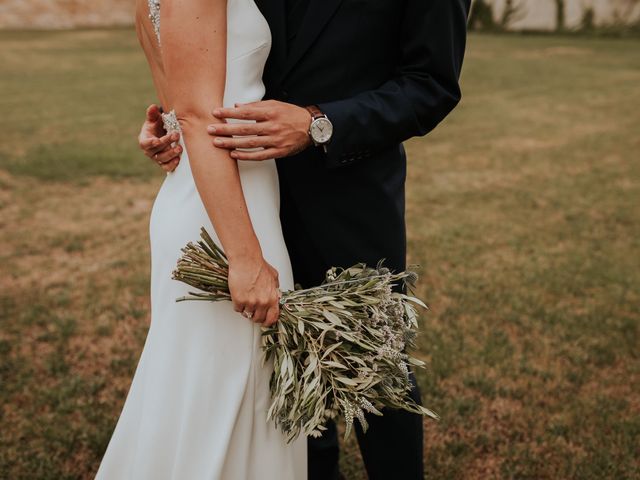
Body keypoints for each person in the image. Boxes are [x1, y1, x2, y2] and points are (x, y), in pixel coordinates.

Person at [139, 1, 471, 479]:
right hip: (240, 199)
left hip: (349, 196)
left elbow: (431, 84)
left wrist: (319, 123)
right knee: (272, 377)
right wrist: (172, 124)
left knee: (375, 371)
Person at [96, 0, 306, 478]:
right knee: (226, 391)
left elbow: (176, 105)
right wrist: (246, 256)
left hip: (214, 193)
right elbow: (193, 116)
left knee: (214, 389)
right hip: (226, 213)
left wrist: (163, 129)